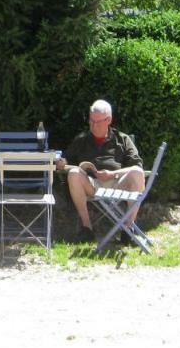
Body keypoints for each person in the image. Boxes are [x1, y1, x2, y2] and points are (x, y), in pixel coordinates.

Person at [56, 99, 145, 244]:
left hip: (118, 183)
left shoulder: (122, 139)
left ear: (108, 120)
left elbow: (137, 165)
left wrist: (113, 174)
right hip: (93, 185)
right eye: (91, 121)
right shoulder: (82, 140)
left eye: (97, 122)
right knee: (73, 174)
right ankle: (87, 228)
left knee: (137, 173)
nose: (93, 125)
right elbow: (68, 160)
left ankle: (128, 229)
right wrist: (62, 163)